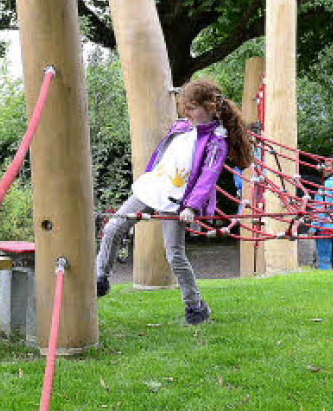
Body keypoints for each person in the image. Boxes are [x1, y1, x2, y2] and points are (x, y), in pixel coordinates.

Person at [95, 80, 254, 325]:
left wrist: (191, 205)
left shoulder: (216, 141)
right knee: (114, 226)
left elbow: (207, 177)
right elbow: (162, 156)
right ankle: (100, 278)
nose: (186, 113)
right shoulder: (181, 127)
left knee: (174, 254)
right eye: (185, 107)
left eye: (192, 108)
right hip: (153, 188)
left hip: (178, 201)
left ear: (210, 107)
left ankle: (196, 307)